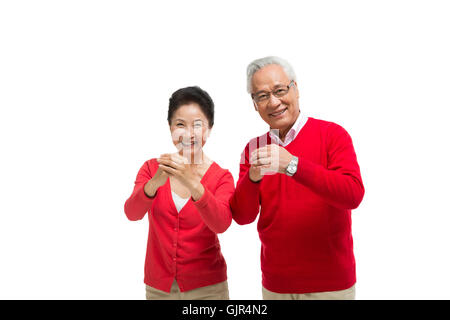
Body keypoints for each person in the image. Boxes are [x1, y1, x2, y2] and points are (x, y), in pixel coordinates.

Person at [230, 56, 365, 300]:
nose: (273, 102)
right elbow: (242, 216)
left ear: (296, 89)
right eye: (262, 96)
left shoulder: (332, 134)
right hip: (276, 286)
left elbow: (352, 195)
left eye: (279, 90)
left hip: (330, 285)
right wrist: (252, 178)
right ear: (254, 104)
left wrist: (292, 165)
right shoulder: (253, 149)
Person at [124, 86, 234, 300]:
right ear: (170, 127)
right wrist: (155, 182)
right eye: (180, 125)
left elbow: (221, 224)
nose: (188, 134)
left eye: (198, 125)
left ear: (209, 129)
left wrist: (192, 182)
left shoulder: (221, 177)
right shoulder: (151, 168)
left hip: (208, 289)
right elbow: (132, 213)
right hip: (158, 289)